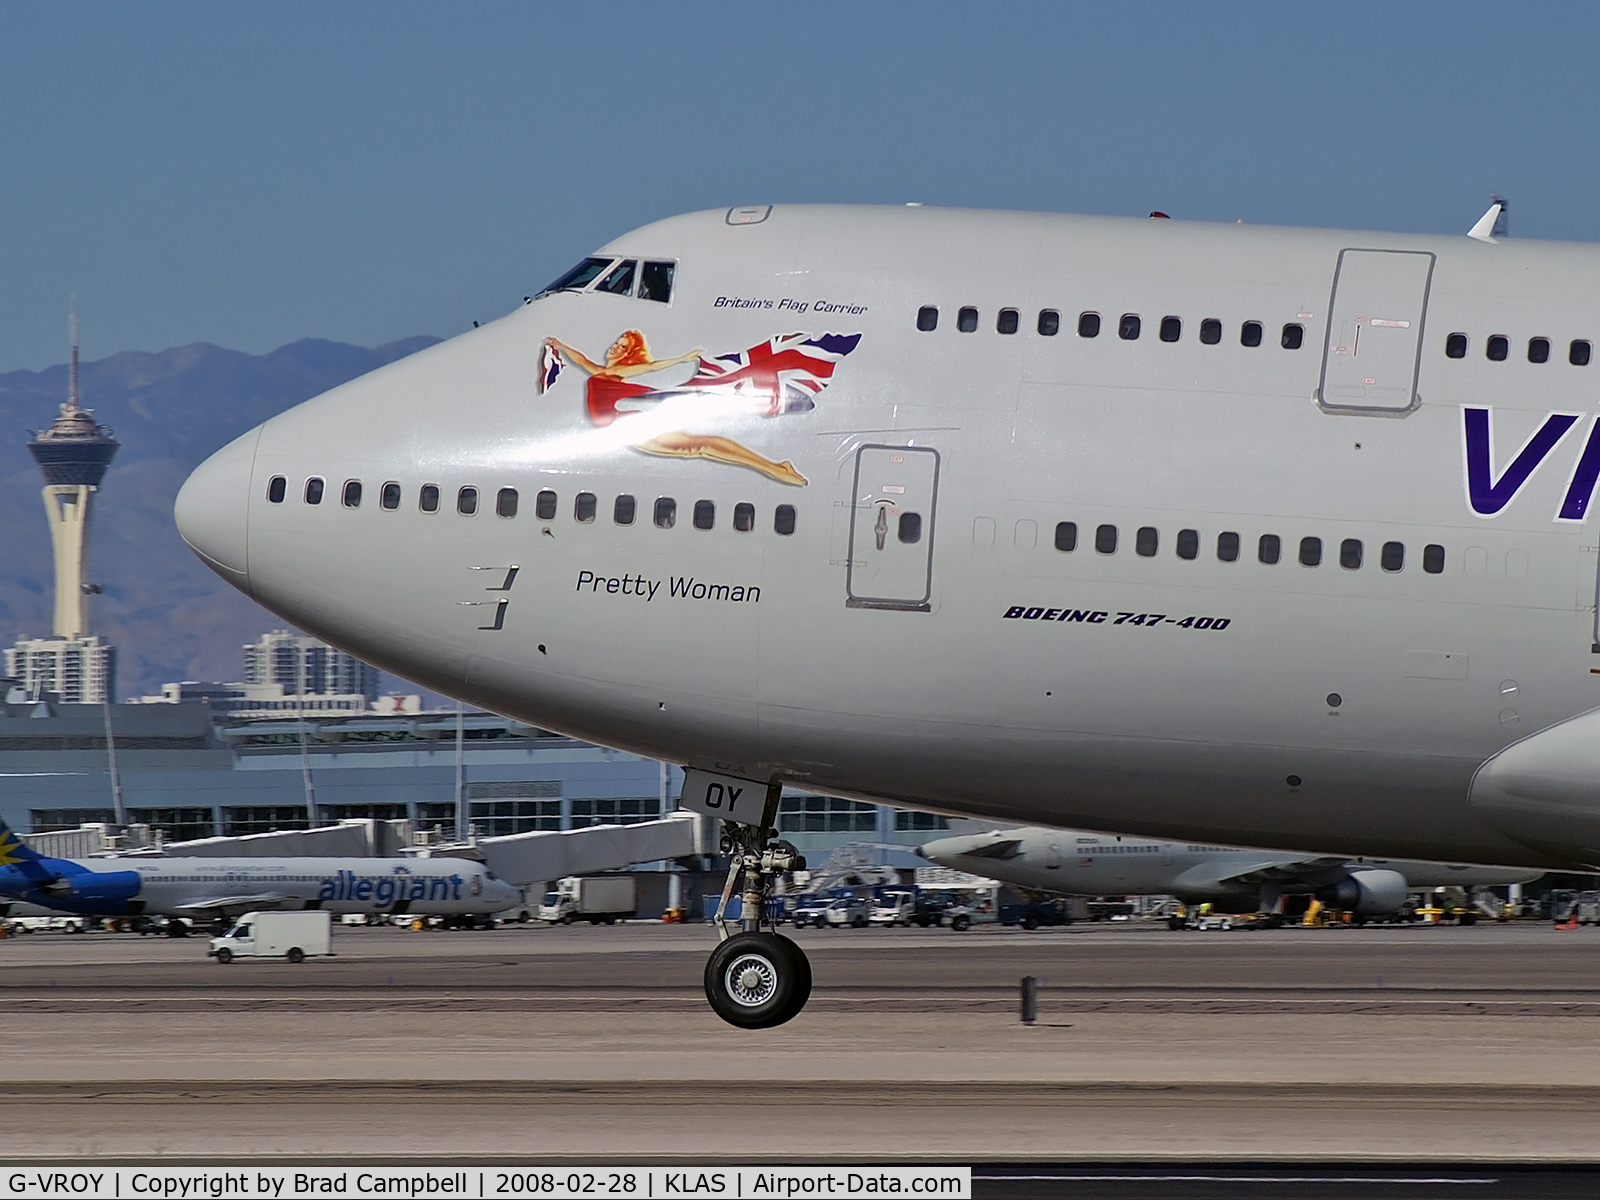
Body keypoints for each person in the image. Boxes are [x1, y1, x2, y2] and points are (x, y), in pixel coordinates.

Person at [543, 331, 808, 485]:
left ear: (628, 353)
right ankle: (776, 467)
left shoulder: (623, 369)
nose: (615, 346)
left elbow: (652, 367)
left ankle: (775, 468)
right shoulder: (603, 371)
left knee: (697, 446)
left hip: (627, 424)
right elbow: (581, 359)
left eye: (622, 346)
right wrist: (562, 346)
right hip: (621, 424)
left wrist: (683, 358)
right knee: (696, 446)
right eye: (617, 342)